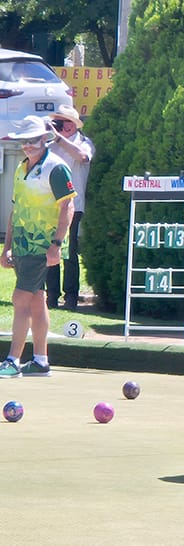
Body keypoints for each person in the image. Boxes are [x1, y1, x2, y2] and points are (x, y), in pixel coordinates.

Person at [0, 116, 76, 379]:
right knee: (36, 300)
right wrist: (6, 246)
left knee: (20, 299)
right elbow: (15, 209)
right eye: (24, 140)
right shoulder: (21, 168)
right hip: (22, 245)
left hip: (41, 246)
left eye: (33, 139)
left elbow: (68, 205)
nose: (28, 145)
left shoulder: (56, 167)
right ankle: (41, 361)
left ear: (45, 138)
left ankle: (12, 360)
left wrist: (56, 245)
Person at [45, 106, 93, 310]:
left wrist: (58, 139)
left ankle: (71, 296)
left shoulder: (83, 142)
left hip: (73, 205)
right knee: (49, 251)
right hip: (49, 206)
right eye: (59, 122)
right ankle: (52, 296)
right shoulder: (49, 145)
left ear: (74, 125)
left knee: (69, 252)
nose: (63, 126)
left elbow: (82, 157)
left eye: (67, 122)